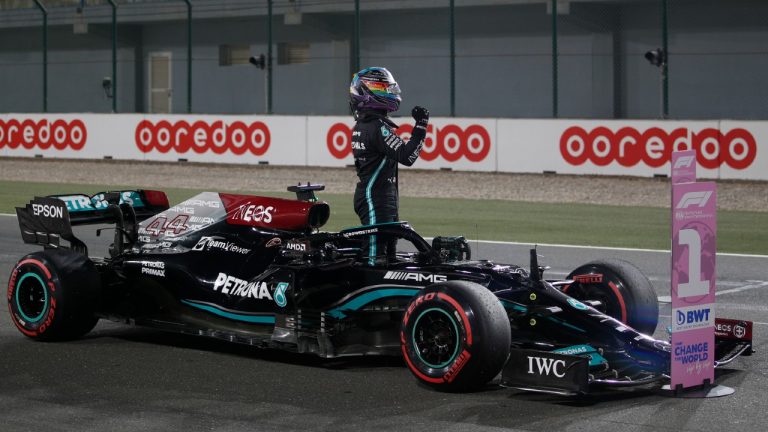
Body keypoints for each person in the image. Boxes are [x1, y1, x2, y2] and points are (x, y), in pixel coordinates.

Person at [349, 67, 430, 265]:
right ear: (367, 92)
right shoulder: (375, 127)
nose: (389, 92)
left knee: (388, 256)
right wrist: (421, 126)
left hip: (380, 196)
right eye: (381, 87)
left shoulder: (367, 124)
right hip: (375, 197)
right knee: (375, 259)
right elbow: (407, 156)